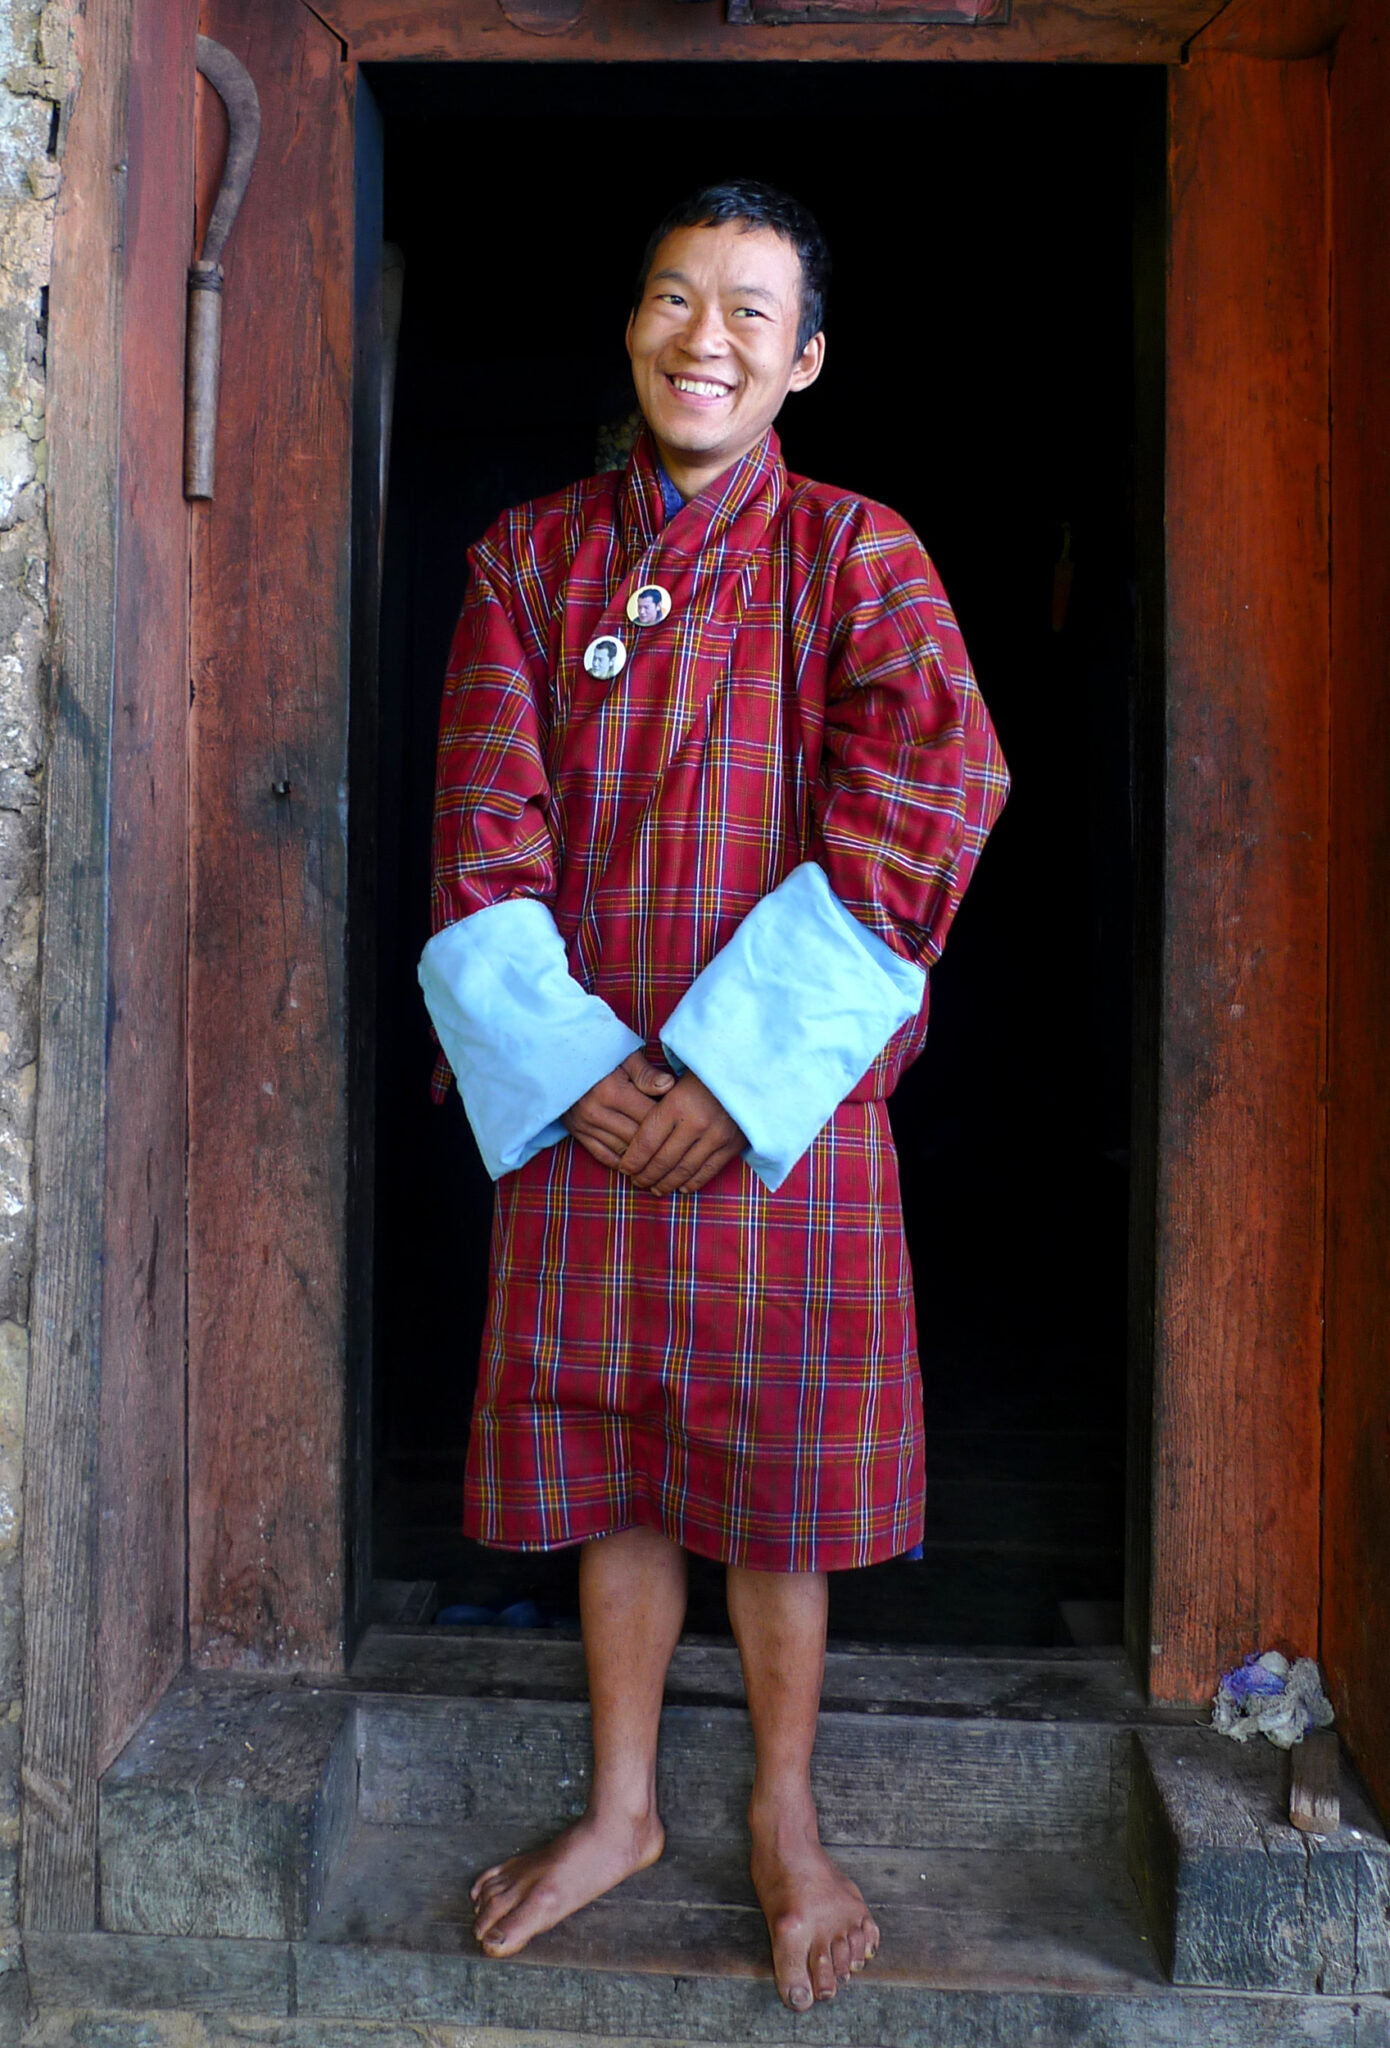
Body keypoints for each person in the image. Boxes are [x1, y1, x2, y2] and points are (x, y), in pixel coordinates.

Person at [418, 179, 1008, 2011]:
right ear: (631, 328)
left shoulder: (860, 557)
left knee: (773, 1473)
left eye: (752, 313)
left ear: (805, 360)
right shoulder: (528, 557)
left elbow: (924, 804)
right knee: (616, 1452)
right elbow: (480, 831)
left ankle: (780, 1813)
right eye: (677, 301)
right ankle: (618, 1811)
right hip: (594, 1102)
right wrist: (597, 1074)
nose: (706, 339)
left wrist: (732, 1074)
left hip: (783, 1112)